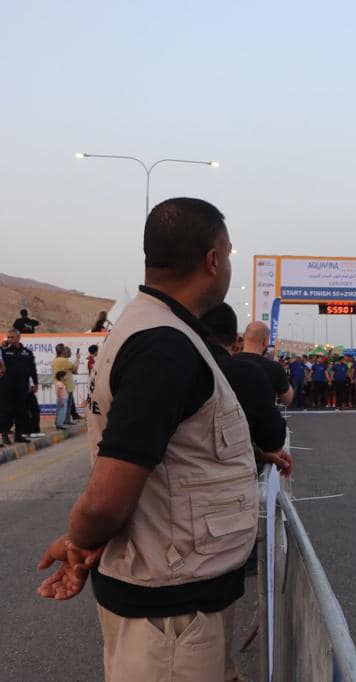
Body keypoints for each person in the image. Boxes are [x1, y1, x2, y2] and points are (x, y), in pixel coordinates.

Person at [36, 197, 255, 681]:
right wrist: (79, 540)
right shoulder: (164, 347)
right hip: (170, 618)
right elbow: (106, 499)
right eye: (228, 253)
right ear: (213, 259)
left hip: (177, 601)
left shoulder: (157, 330)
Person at [200, 303, 292, 474]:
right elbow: (274, 439)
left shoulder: (170, 365)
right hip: (229, 471)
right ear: (236, 339)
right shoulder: (248, 372)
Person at [237, 321, 293, 406]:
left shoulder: (228, 362)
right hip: (263, 414)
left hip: (235, 413)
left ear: (244, 337)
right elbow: (287, 399)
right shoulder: (274, 368)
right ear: (265, 341)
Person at [0, 329, 38, 444]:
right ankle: (5, 435)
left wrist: (35, 383)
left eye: (12, 337)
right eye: (8, 337)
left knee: (21, 411)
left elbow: (32, 369)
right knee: (6, 411)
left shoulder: (27, 352)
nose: (9, 339)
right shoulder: (3, 351)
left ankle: (18, 435)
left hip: (22, 387)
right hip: (6, 386)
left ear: (18, 338)